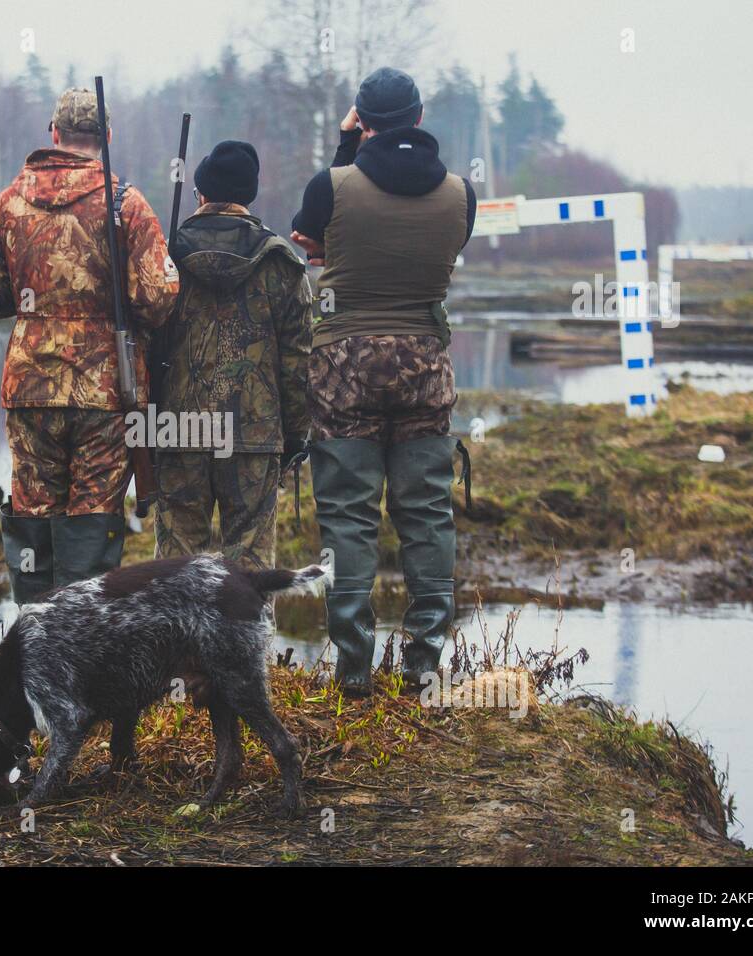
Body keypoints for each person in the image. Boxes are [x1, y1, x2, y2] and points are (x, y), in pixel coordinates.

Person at [290, 67, 476, 696]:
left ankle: (352, 673)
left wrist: (347, 146)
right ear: (420, 119)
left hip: (345, 368)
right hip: (425, 365)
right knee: (426, 516)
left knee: (348, 518)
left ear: (362, 121)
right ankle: (425, 665)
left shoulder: (331, 185)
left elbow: (311, 238)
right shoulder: (460, 194)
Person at [0, 88, 178, 603]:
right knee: (94, 513)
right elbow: (158, 300)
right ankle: (84, 645)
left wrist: (36, 301)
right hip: (105, 391)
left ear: (53, 134)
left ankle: (35, 642)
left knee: (33, 511)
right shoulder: (127, 204)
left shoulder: (7, 204)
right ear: (107, 138)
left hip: (30, 386)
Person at [152, 140, 311, 570]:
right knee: (251, 568)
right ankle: (246, 640)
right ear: (249, 195)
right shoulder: (283, 264)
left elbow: (144, 346)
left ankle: (175, 640)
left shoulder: (165, 257)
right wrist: (296, 437)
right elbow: (298, 364)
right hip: (255, 436)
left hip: (177, 429)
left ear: (201, 194)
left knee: (175, 568)